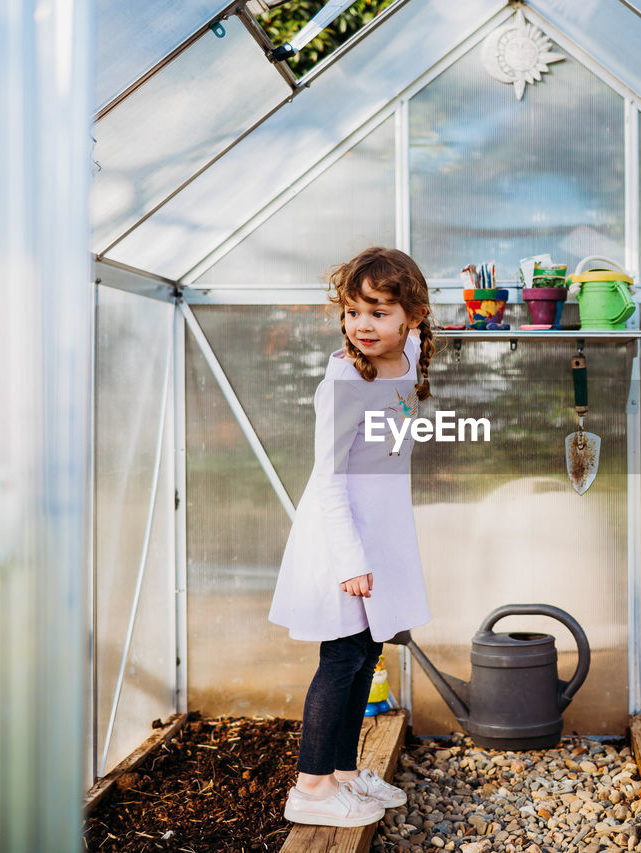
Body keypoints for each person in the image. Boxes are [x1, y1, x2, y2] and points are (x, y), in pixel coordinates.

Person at [268, 246, 436, 827]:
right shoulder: (344, 381)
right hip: (341, 541)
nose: (362, 325)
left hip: (377, 535)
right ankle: (310, 788)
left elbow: (419, 336)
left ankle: (342, 774)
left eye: (378, 312)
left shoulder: (407, 352)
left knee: (367, 653)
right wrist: (350, 562)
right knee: (340, 658)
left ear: (411, 316)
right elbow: (330, 482)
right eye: (352, 312)